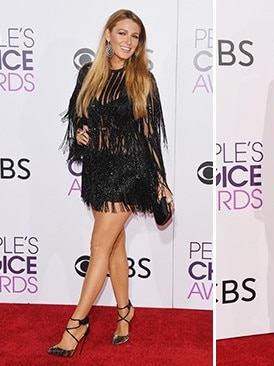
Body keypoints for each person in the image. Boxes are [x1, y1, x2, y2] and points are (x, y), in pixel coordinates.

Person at [48, 9, 173, 357]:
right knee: (115, 245)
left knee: (100, 246)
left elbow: (150, 135)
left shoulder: (143, 79)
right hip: (98, 170)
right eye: (122, 33)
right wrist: (82, 132)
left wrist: (160, 180)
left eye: (134, 37)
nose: (128, 42)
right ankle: (124, 313)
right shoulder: (89, 73)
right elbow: (78, 113)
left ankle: (77, 324)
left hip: (131, 171)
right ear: (107, 34)